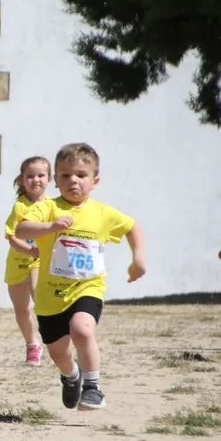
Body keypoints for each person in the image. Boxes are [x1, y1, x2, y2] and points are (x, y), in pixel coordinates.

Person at [16, 143, 145, 412]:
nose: (73, 181)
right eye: (64, 175)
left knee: (82, 329)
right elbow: (22, 227)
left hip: (88, 287)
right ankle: (71, 376)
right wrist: (49, 227)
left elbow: (132, 227)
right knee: (59, 354)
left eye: (81, 175)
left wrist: (138, 260)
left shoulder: (102, 213)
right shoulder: (48, 208)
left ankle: (93, 387)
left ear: (94, 181)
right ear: (56, 180)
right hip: (51, 297)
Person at [3, 156, 52, 366]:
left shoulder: (53, 207)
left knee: (38, 296)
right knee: (22, 310)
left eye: (41, 175)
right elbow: (10, 236)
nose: (36, 180)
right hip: (16, 263)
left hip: (39, 261)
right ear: (23, 180)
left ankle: (56, 337)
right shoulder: (19, 208)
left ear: (49, 178)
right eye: (30, 176)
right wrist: (27, 249)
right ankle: (33, 345)